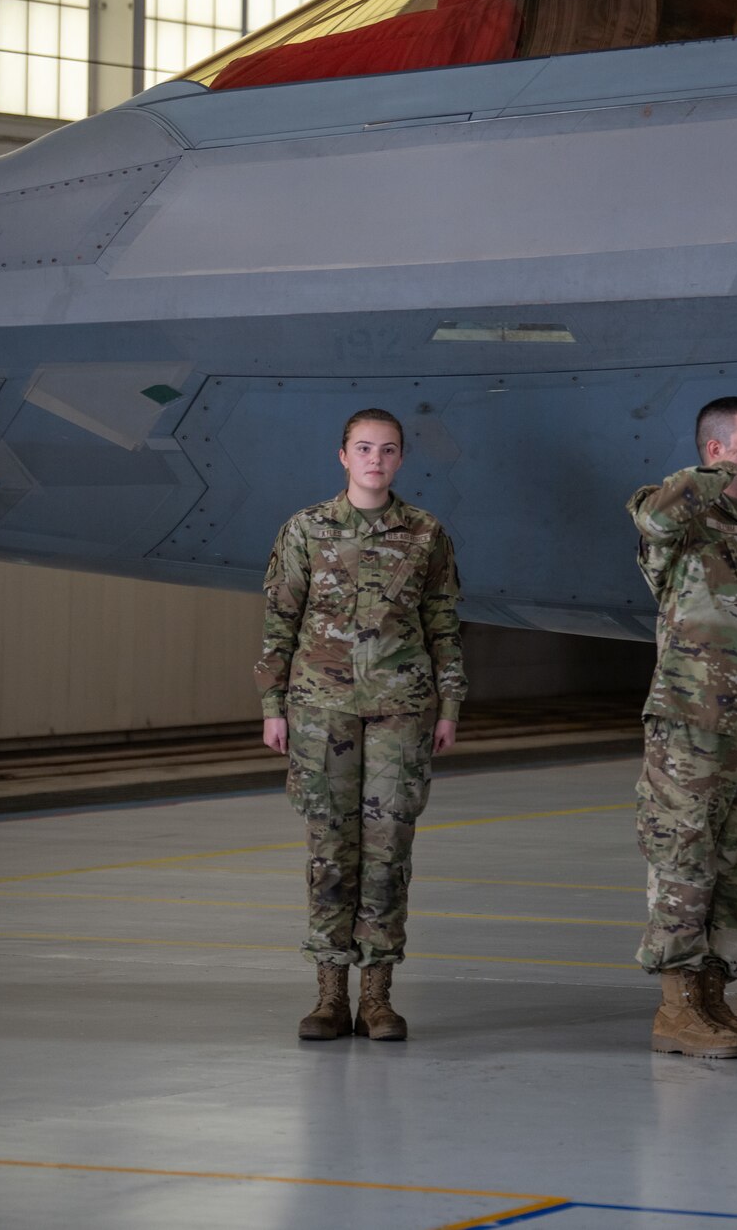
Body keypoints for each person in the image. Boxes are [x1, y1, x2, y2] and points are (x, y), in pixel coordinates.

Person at [256, 408, 466, 1042]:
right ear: (342, 456)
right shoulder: (305, 530)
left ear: (401, 460)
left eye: (388, 450)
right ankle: (329, 997)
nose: (376, 459)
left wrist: (450, 706)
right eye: (364, 448)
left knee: (388, 852)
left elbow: (445, 627)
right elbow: (278, 623)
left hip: (403, 710)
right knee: (330, 850)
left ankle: (377, 997)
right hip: (320, 711)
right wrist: (272, 706)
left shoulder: (426, 534)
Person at [626, 396, 737, 1058]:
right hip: (689, 725)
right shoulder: (680, 512)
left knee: (733, 867)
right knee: (684, 861)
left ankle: (714, 1000)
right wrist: (712, 474)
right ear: (716, 448)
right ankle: (675, 1010)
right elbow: (653, 517)